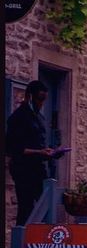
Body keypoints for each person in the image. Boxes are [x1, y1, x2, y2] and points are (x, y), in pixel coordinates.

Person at [6, 81, 54, 225]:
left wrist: (50, 152)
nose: (42, 103)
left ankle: (40, 243)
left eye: (44, 100)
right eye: (39, 99)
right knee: (26, 208)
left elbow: (39, 142)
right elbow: (13, 148)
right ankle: (21, 244)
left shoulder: (39, 117)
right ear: (29, 97)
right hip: (23, 170)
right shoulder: (18, 117)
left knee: (45, 206)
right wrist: (40, 152)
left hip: (38, 168)